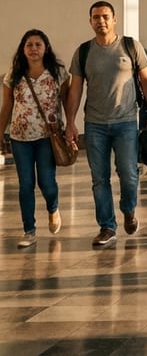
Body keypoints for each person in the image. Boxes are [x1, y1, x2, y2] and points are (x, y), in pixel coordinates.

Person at [65, 1, 147, 247]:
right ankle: (107, 226)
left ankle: (128, 210)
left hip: (126, 121)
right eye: (96, 17)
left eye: (105, 16)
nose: (101, 21)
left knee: (128, 174)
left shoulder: (130, 46)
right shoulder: (84, 51)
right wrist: (70, 123)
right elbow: (75, 90)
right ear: (90, 21)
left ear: (114, 19)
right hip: (95, 124)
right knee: (99, 178)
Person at [1, 29, 71, 248]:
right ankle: (29, 230)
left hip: (47, 137)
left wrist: (71, 125)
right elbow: (7, 106)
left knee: (47, 182)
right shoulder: (14, 75)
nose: (33, 49)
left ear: (46, 48)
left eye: (37, 45)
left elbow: (68, 102)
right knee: (25, 185)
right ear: (23, 49)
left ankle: (53, 208)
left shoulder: (58, 73)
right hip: (20, 137)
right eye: (29, 45)